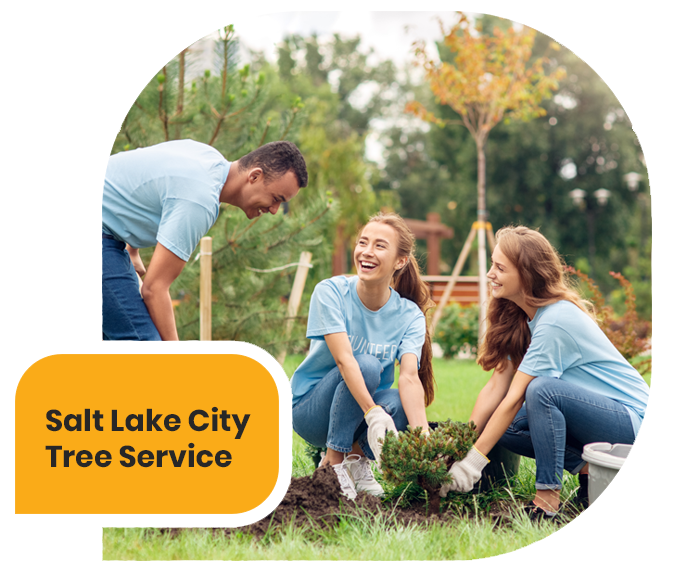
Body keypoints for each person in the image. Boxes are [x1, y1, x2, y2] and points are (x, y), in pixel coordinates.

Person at [440, 225, 652, 520]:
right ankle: (590, 472)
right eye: (492, 264)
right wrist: (457, 447)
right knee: (507, 425)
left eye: (500, 268)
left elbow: (515, 397)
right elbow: (496, 387)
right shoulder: (524, 318)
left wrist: (473, 463)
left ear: (526, 276)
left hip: (635, 425)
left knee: (541, 390)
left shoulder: (555, 320)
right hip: (602, 421)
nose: (490, 273)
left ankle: (547, 498)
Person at [280, 212, 435, 499]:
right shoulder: (331, 292)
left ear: (400, 261)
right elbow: (345, 360)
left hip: (357, 411)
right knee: (366, 363)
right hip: (311, 410)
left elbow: (410, 378)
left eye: (379, 245)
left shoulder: (409, 314)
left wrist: (423, 440)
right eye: (363, 242)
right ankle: (334, 465)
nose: (366, 251)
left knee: (402, 403)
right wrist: (373, 412)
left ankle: (356, 460)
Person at [102, 139, 308, 354]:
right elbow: (154, 289)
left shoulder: (208, 158)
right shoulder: (200, 200)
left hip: (107, 232)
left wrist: (132, 248)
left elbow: (142, 176)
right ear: (254, 176)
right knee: (142, 345)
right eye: (276, 198)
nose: (275, 210)